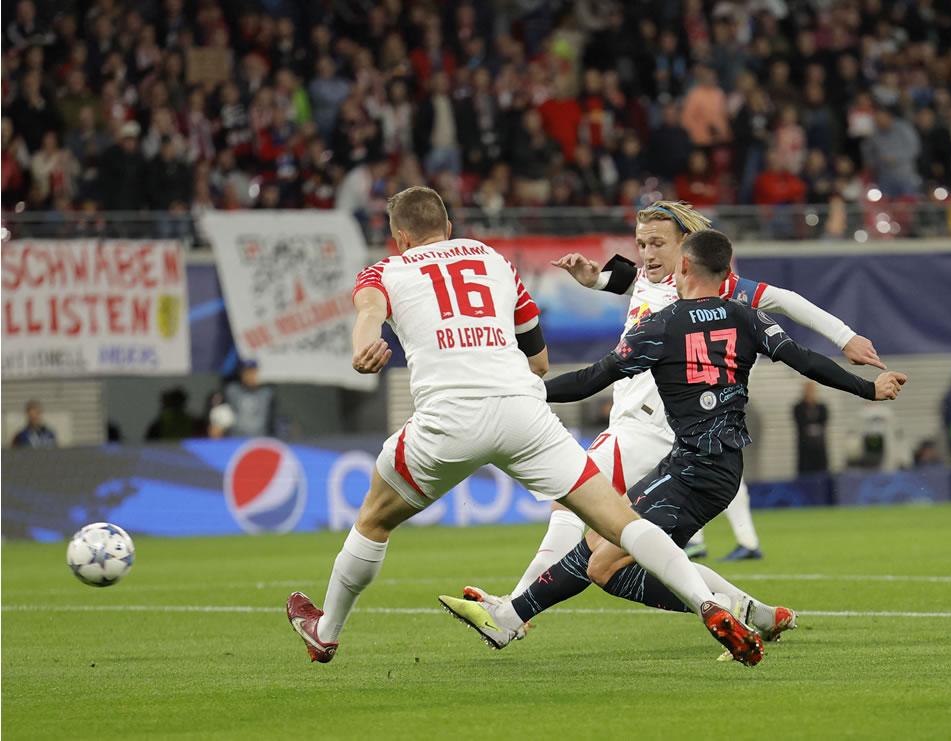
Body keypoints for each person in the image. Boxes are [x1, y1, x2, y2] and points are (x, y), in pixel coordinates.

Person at [287, 187, 763, 667]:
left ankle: (325, 631)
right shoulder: (492, 259)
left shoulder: (386, 270)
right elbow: (537, 358)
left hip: (447, 419)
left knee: (373, 520)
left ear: (399, 239)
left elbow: (369, 313)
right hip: (524, 411)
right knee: (621, 522)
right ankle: (709, 605)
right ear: (449, 228)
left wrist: (364, 347)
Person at [446, 230, 906, 651]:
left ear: (684, 267)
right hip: (721, 469)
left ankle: (516, 616)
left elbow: (591, 379)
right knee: (605, 562)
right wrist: (869, 388)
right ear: (729, 274)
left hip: (689, 469)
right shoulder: (747, 317)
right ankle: (742, 610)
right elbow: (806, 360)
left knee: (601, 549)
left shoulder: (663, 325)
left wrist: (526, 391)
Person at [499, 200, 883, 577]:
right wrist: (595, 279)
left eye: (657, 244)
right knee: (636, 549)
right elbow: (631, 280)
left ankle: (513, 607)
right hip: (671, 433)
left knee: (571, 503)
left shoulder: (708, 287)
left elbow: (785, 299)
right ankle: (739, 606)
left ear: (685, 245)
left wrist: (845, 337)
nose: (647, 253)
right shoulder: (650, 280)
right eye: (642, 243)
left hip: (645, 428)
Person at [223, 360, 276, 437]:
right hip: (235, 438)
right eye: (246, 372)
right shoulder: (232, 391)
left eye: (252, 372)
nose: (249, 376)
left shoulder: (267, 393)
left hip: (260, 438)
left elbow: (272, 418)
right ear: (241, 374)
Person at [793, 381, 829, 475]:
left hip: (819, 448)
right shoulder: (799, 407)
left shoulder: (821, 408)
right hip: (805, 449)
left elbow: (823, 423)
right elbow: (801, 423)